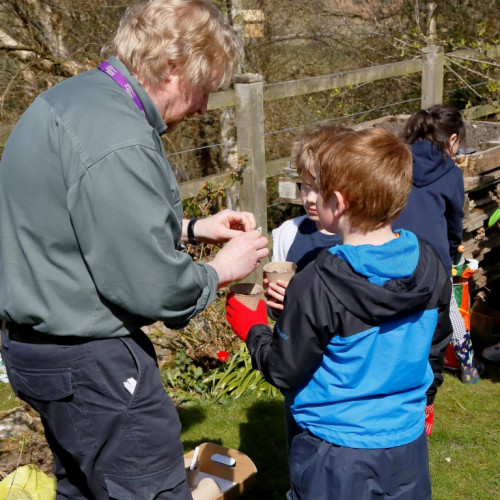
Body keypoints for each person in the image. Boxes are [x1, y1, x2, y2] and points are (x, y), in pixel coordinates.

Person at [0, 1, 269, 499]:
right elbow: (154, 290)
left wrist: (191, 227)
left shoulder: (72, 101)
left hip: (37, 353)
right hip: (92, 363)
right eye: (204, 87)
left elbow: (78, 226)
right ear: (172, 67)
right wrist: (219, 272)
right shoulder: (119, 138)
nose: (205, 107)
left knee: (81, 487)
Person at [226, 128, 452, 500]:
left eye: (321, 189)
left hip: (336, 452)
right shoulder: (429, 262)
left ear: (338, 202)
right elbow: (436, 342)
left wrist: (253, 328)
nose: (312, 197)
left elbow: (284, 370)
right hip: (405, 442)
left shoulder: (317, 281)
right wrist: (427, 399)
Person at [392, 104, 484, 387]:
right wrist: (453, 248)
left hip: (393, 252)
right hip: (433, 261)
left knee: (397, 319)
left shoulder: (395, 161)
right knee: (445, 316)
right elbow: (454, 220)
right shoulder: (450, 173)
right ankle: (463, 366)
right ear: (452, 139)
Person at [266, 126, 343, 449]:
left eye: (319, 188)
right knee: (300, 442)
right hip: (297, 366)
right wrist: (277, 303)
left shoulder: (355, 236)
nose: (309, 198)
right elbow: (276, 310)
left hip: (340, 367)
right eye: (304, 186)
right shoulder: (287, 232)